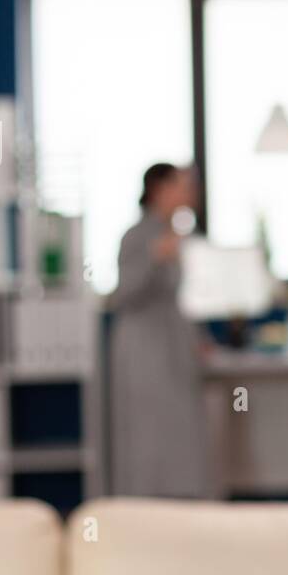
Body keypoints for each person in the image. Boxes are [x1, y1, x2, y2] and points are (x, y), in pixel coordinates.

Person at [107, 162, 217, 499]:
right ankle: (141, 507)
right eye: (181, 185)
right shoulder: (137, 236)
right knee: (146, 434)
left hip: (174, 346)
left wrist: (200, 338)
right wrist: (154, 256)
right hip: (143, 349)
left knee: (180, 433)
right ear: (159, 190)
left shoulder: (181, 236)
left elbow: (185, 298)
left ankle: (181, 509)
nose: (188, 193)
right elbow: (121, 294)